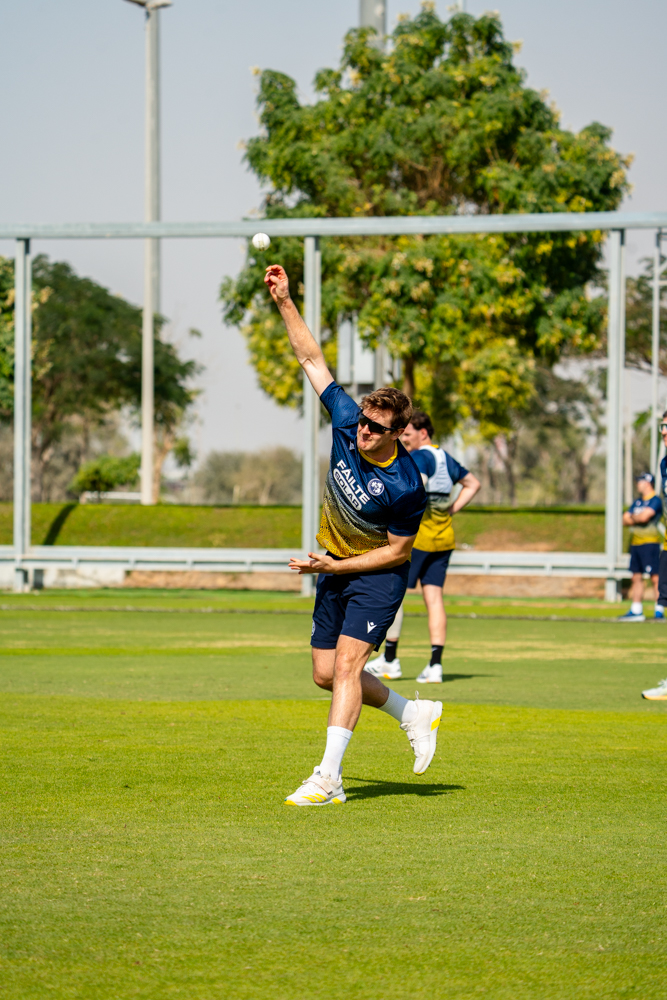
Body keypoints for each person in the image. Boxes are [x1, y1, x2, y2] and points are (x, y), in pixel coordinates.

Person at [264, 264, 442, 807]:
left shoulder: (406, 483)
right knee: (325, 673)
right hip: (333, 567)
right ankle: (411, 713)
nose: (363, 430)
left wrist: (335, 568)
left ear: (399, 434)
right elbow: (311, 360)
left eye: (376, 427)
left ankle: (328, 778)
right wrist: (285, 302)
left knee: (347, 666)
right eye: (362, 420)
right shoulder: (346, 420)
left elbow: (398, 551)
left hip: (377, 578)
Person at [365, 411, 481, 683]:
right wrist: (451, 509)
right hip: (444, 539)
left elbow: (414, 490)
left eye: (407, 434)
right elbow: (472, 483)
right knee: (434, 599)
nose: (404, 439)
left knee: (394, 594)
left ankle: (390, 660)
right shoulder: (444, 457)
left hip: (419, 540)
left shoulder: (421, 456)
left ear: (423, 433)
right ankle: (435, 665)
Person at [619, 472, 663, 622]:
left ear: (648, 483)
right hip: (636, 544)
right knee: (636, 576)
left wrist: (633, 518)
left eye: (640, 481)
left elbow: (645, 517)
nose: (638, 484)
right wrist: (634, 518)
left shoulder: (655, 500)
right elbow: (624, 520)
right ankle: (636, 610)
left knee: (655, 577)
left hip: (650, 543)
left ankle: (659, 611)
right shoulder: (637, 502)